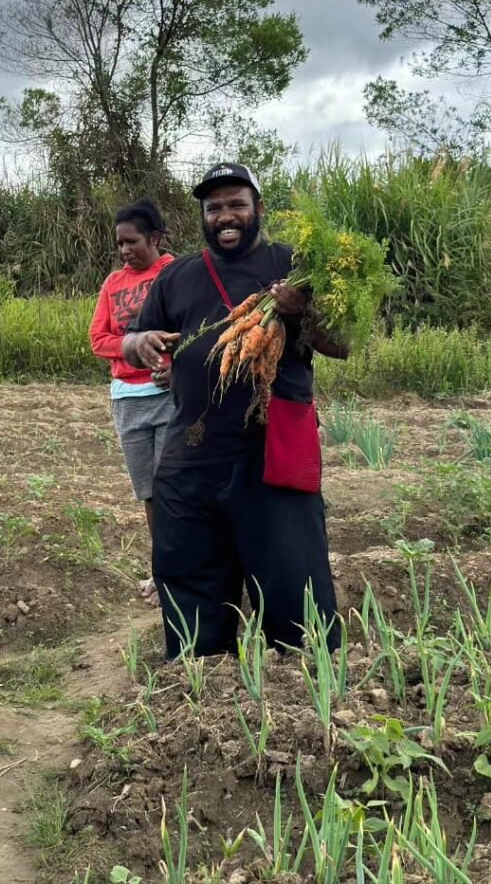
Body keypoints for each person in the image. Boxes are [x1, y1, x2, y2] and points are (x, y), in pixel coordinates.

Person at [121, 163, 344, 658]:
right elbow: (134, 336)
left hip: (271, 456)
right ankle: (199, 677)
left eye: (236, 204)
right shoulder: (178, 276)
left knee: (294, 580)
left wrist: (298, 312)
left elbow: (341, 344)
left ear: (258, 210)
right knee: (187, 572)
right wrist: (142, 343)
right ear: (202, 215)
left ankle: (306, 679)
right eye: (214, 207)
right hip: (193, 453)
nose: (225, 215)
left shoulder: (296, 266)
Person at [89, 198, 174, 607]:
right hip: (129, 401)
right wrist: (131, 344)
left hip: (171, 397)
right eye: (120, 244)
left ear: (155, 238)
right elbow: (98, 339)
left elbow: (195, 328)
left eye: (132, 241)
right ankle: (163, 572)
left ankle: (185, 570)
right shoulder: (112, 284)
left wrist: (176, 365)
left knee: (174, 487)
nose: (125, 251)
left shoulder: (175, 273)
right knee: (149, 494)